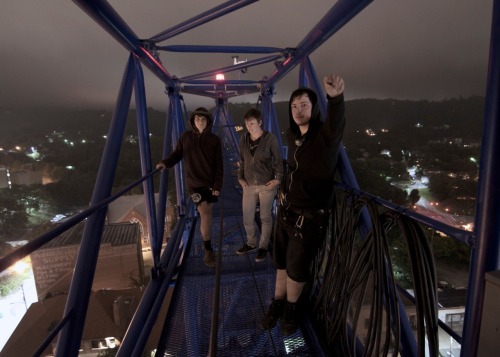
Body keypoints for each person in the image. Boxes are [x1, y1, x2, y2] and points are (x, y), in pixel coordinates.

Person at [260, 75, 346, 335]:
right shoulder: (292, 135)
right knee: (281, 262)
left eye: (304, 105)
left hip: (309, 216)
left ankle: (292, 308)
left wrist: (336, 98)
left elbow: (336, 124)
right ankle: (277, 303)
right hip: (287, 210)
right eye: (294, 106)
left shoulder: (324, 136)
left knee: (297, 267)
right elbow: (292, 168)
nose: (298, 110)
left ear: (314, 107)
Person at [156, 107, 223, 268]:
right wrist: (165, 163)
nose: (200, 121)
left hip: (210, 183)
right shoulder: (186, 137)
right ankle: (208, 248)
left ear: (208, 122)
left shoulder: (214, 140)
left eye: (204, 119)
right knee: (205, 212)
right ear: (193, 121)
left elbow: (219, 165)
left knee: (209, 213)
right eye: (197, 119)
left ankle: (206, 242)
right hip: (194, 185)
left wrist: (217, 185)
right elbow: (177, 154)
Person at [237, 108, 283, 262]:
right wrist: (240, 178)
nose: (249, 126)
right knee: (247, 218)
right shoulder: (243, 139)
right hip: (249, 184)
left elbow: (278, 161)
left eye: (252, 123)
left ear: (260, 122)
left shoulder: (270, 139)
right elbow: (242, 161)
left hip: (266, 184)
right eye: (247, 124)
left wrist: (278, 179)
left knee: (265, 217)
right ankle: (251, 243)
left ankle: (263, 247)